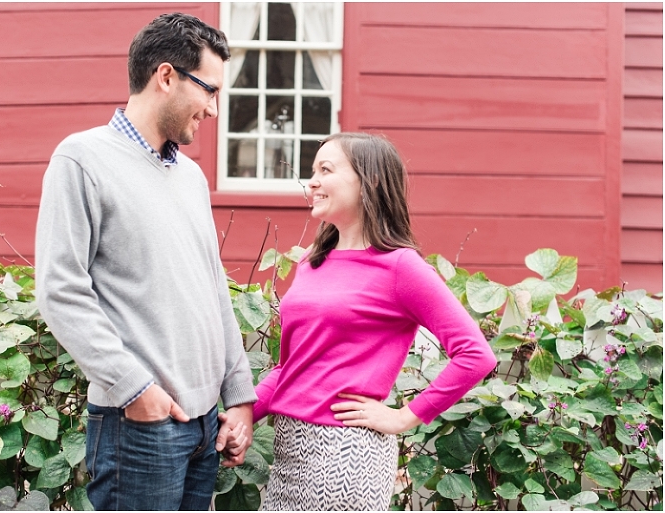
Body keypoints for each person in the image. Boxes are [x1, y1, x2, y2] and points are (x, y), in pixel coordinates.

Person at [35, 13, 255, 511]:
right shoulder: (82, 159)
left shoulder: (191, 178)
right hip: (138, 426)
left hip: (205, 427)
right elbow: (60, 289)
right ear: (166, 76)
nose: (214, 110)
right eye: (210, 90)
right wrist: (136, 391)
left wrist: (239, 396)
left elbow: (213, 290)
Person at [252, 132, 498, 511]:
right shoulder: (311, 264)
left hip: (345, 454)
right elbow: (291, 367)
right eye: (312, 170)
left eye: (326, 169)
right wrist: (241, 414)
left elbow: (475, 354)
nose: (312, 181)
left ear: (371, 181)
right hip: (288, 450)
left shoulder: (400, 266)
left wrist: (404, 417)